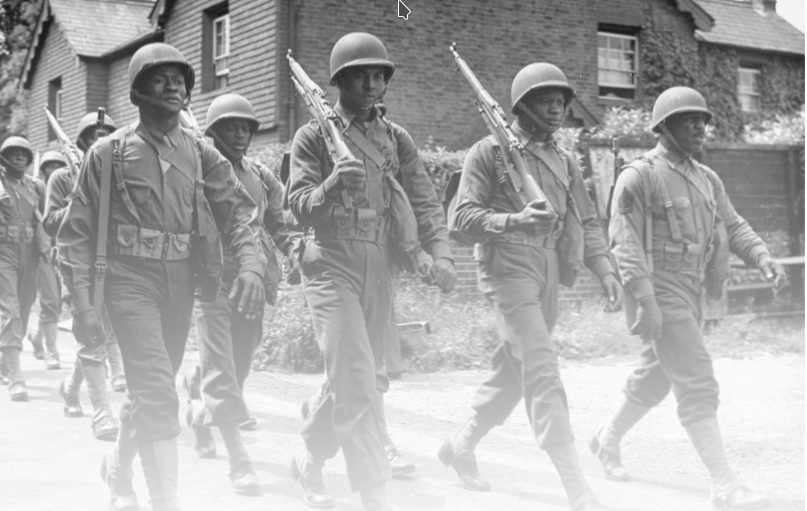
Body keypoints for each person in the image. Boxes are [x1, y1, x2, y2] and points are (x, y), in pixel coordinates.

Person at [57, 42, 265, 511]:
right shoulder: (108, 152)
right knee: (156, 391)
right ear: (138, 90)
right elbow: (75, 236)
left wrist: (251, 264)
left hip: (180, 283)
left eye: (179, 79)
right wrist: (83, 305)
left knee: (149, 389)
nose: (173, 86)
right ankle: (164, 501)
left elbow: (239, 213)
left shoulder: (201, 152)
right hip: (127, 281)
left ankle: (117, 469)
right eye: (161, 78)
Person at [591, 86, 785, 511]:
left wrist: (761, 255)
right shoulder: (637, 176)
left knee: (658, 373)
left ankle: (606, 438)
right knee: (696, 377)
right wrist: (645, 299)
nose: (700, 126)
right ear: (664, 126)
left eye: (703, 119)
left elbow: (733, 225)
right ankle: (724, 484)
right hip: (658, 287)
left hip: (693, 288)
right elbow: (624, 243)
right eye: (689, 119)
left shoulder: (706, 178)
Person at [441, 63, 622, 511]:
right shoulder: (489, 151)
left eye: (561, 100)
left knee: (515, 369)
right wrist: (514, 221)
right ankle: (576, 486)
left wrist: (605, 270)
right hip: (507, 267)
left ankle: (462, 444)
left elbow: (586, 220)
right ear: (522, 105)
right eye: (547, 100)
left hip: (548, 269)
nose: (557, 108)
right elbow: (460, 219)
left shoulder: (563, 160)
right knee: (541, 366)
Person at [287, 32, 456, 511]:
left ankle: (309, 458)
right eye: (360, 75)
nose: (371, 84)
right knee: (359, 377)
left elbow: (424, 201)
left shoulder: (396, 138)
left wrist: (440, 254)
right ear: (339, 81)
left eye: (379, 75)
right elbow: (296, 206)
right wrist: (331, 185)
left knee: (364, 379)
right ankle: (374, 495)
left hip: (378, 263)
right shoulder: (313, 135)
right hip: (329, 263)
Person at [182, 92, 301, 494]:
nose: (240, 135)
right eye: (231, 128)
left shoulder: (262, 176)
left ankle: (199, 408)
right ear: (212, 132)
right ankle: (239, 458)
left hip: (252, 278)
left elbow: (280, 223)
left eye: (246, 128)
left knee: (241, 362)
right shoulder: (197, 169)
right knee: (222, 366)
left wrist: (294, 251)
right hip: (210, 277)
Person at [44, 113, 125, 442]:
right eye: (93, 135)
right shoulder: (62, 177)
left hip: (114, 264)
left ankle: (70, 387)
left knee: (101, 335)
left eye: (106, 136)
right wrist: (78, 203)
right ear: (81, 141)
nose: (99, 141)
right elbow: (50, 222)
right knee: (90, 335)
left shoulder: (119, 174)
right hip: (77, 263)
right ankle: (101, 412)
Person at [0, 136, 47, 401]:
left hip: (30, 251)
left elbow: (45, 219)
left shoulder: (35, 187)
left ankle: (4, 361)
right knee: (10, 309)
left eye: (23, 154)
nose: (19, 157)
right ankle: (16, 376)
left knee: (26, 305)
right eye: (13, 153)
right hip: (3, 250)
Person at [25, 150, 69, 370]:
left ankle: (36, 335)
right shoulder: (36, 188)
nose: (54, 170)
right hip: (43, 250)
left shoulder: (68, 188)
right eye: (49, 166)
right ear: (42, 170)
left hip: (66, 250)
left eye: (58, 166)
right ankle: (52, 350)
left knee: (61, 302)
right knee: (50, 300)